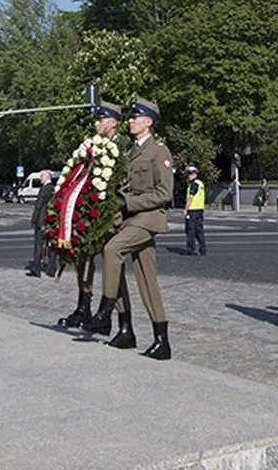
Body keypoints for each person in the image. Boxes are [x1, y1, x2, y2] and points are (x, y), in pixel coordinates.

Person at [85, 99, 174, 360]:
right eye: (131, 117)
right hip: (130, 218)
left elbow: (164, 193)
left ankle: (104, 311)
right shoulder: (130, 152)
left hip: (149, 217)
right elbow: (122, 189)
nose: (131, 121)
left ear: (149, 122)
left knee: (112, 250)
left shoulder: (159, 151)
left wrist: (129, 203)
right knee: (147, 279)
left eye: (137, 117)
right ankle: (158, 340)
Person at [57, 101, 130, 330]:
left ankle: (115, 319)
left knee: (113, 265)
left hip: (114, 217)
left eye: (101, 119)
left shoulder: (122, 148)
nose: (96, 124)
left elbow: (125, 185)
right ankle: (84, 308)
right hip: (92, 214)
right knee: (83, 259)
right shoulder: (92, 147)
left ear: (113, 122)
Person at [28, 170, 56, 276]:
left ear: (47, 177)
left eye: (41, 176)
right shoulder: (52, 188)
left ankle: (36, 269)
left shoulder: (44, 189)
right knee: (51, 246)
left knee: (38, 245)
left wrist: (34, 219)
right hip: (51, 220)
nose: (40, 178)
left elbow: (39, 205)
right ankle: (52, 269)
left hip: (41, 220)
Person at [183, 166, 207, 256]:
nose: (189, 176)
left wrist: (186, 209)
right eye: (189, 174)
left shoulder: (194, 184)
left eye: (191, 174)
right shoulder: (200, 183)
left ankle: (191, 249)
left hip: (193, 210)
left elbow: (190, 197)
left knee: (191, 230)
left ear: (195, 174)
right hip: (200, 209)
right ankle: (203, 249)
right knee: (199, 230)